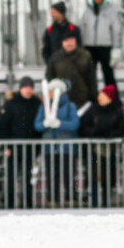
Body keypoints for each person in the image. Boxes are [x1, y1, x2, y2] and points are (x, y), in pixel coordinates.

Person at [0, 77, 43, 209]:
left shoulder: (36, 103)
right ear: (21, 88)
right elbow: (3, 126)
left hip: (31, 147)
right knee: (11, 177)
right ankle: (10, 203)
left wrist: (38, 146)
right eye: (26, 87)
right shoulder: (11, 103)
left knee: (28, 177)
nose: (28, 90)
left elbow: (38, 127)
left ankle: (28, 203)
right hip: (14, 147)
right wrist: (6, 146)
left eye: (30, 87)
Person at [36, 78, 82, 206]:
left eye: (51, 91)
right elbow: (37, 125)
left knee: (69, 174)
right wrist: (45, 124)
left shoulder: (70, 106)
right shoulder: (44, 107)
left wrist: (60, 124)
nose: (49, 94)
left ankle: (71, 198)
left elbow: (75, 124)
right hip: (50, 148)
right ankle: (52, 199)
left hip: (67, 148)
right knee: (52, 175)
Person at [80, 84, 124, 207]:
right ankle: (94, 202)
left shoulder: (116, 111)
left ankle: (106, 202)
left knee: (108, 178)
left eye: (103, 96)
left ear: (110, 98)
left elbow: (121, 130)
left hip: (109, 150)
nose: (100, 98)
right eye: (100, 95)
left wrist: (109, 135)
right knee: (94, 177)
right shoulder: (92, 110)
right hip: (94, 150)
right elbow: (84, 127)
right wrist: (94, 132)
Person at [79, 0, 123, 88]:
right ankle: (92, 98)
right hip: (89, 47)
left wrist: (116, 48)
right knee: (90, 74)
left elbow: (116, 30)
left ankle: (113, 100)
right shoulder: (87, 11)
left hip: (105, 47)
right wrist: (81, 46)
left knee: (108, 74)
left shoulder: (111, 10)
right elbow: (82, 28)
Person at [46, 33, 98, 110]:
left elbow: (92, 78)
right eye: (67, 41)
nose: (69, 43)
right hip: (62, 100)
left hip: (82, 100)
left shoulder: (85, 55)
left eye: (72, 40)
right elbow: (50, 77)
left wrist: (93, 97)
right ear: (62, 42)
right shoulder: (55, 58)